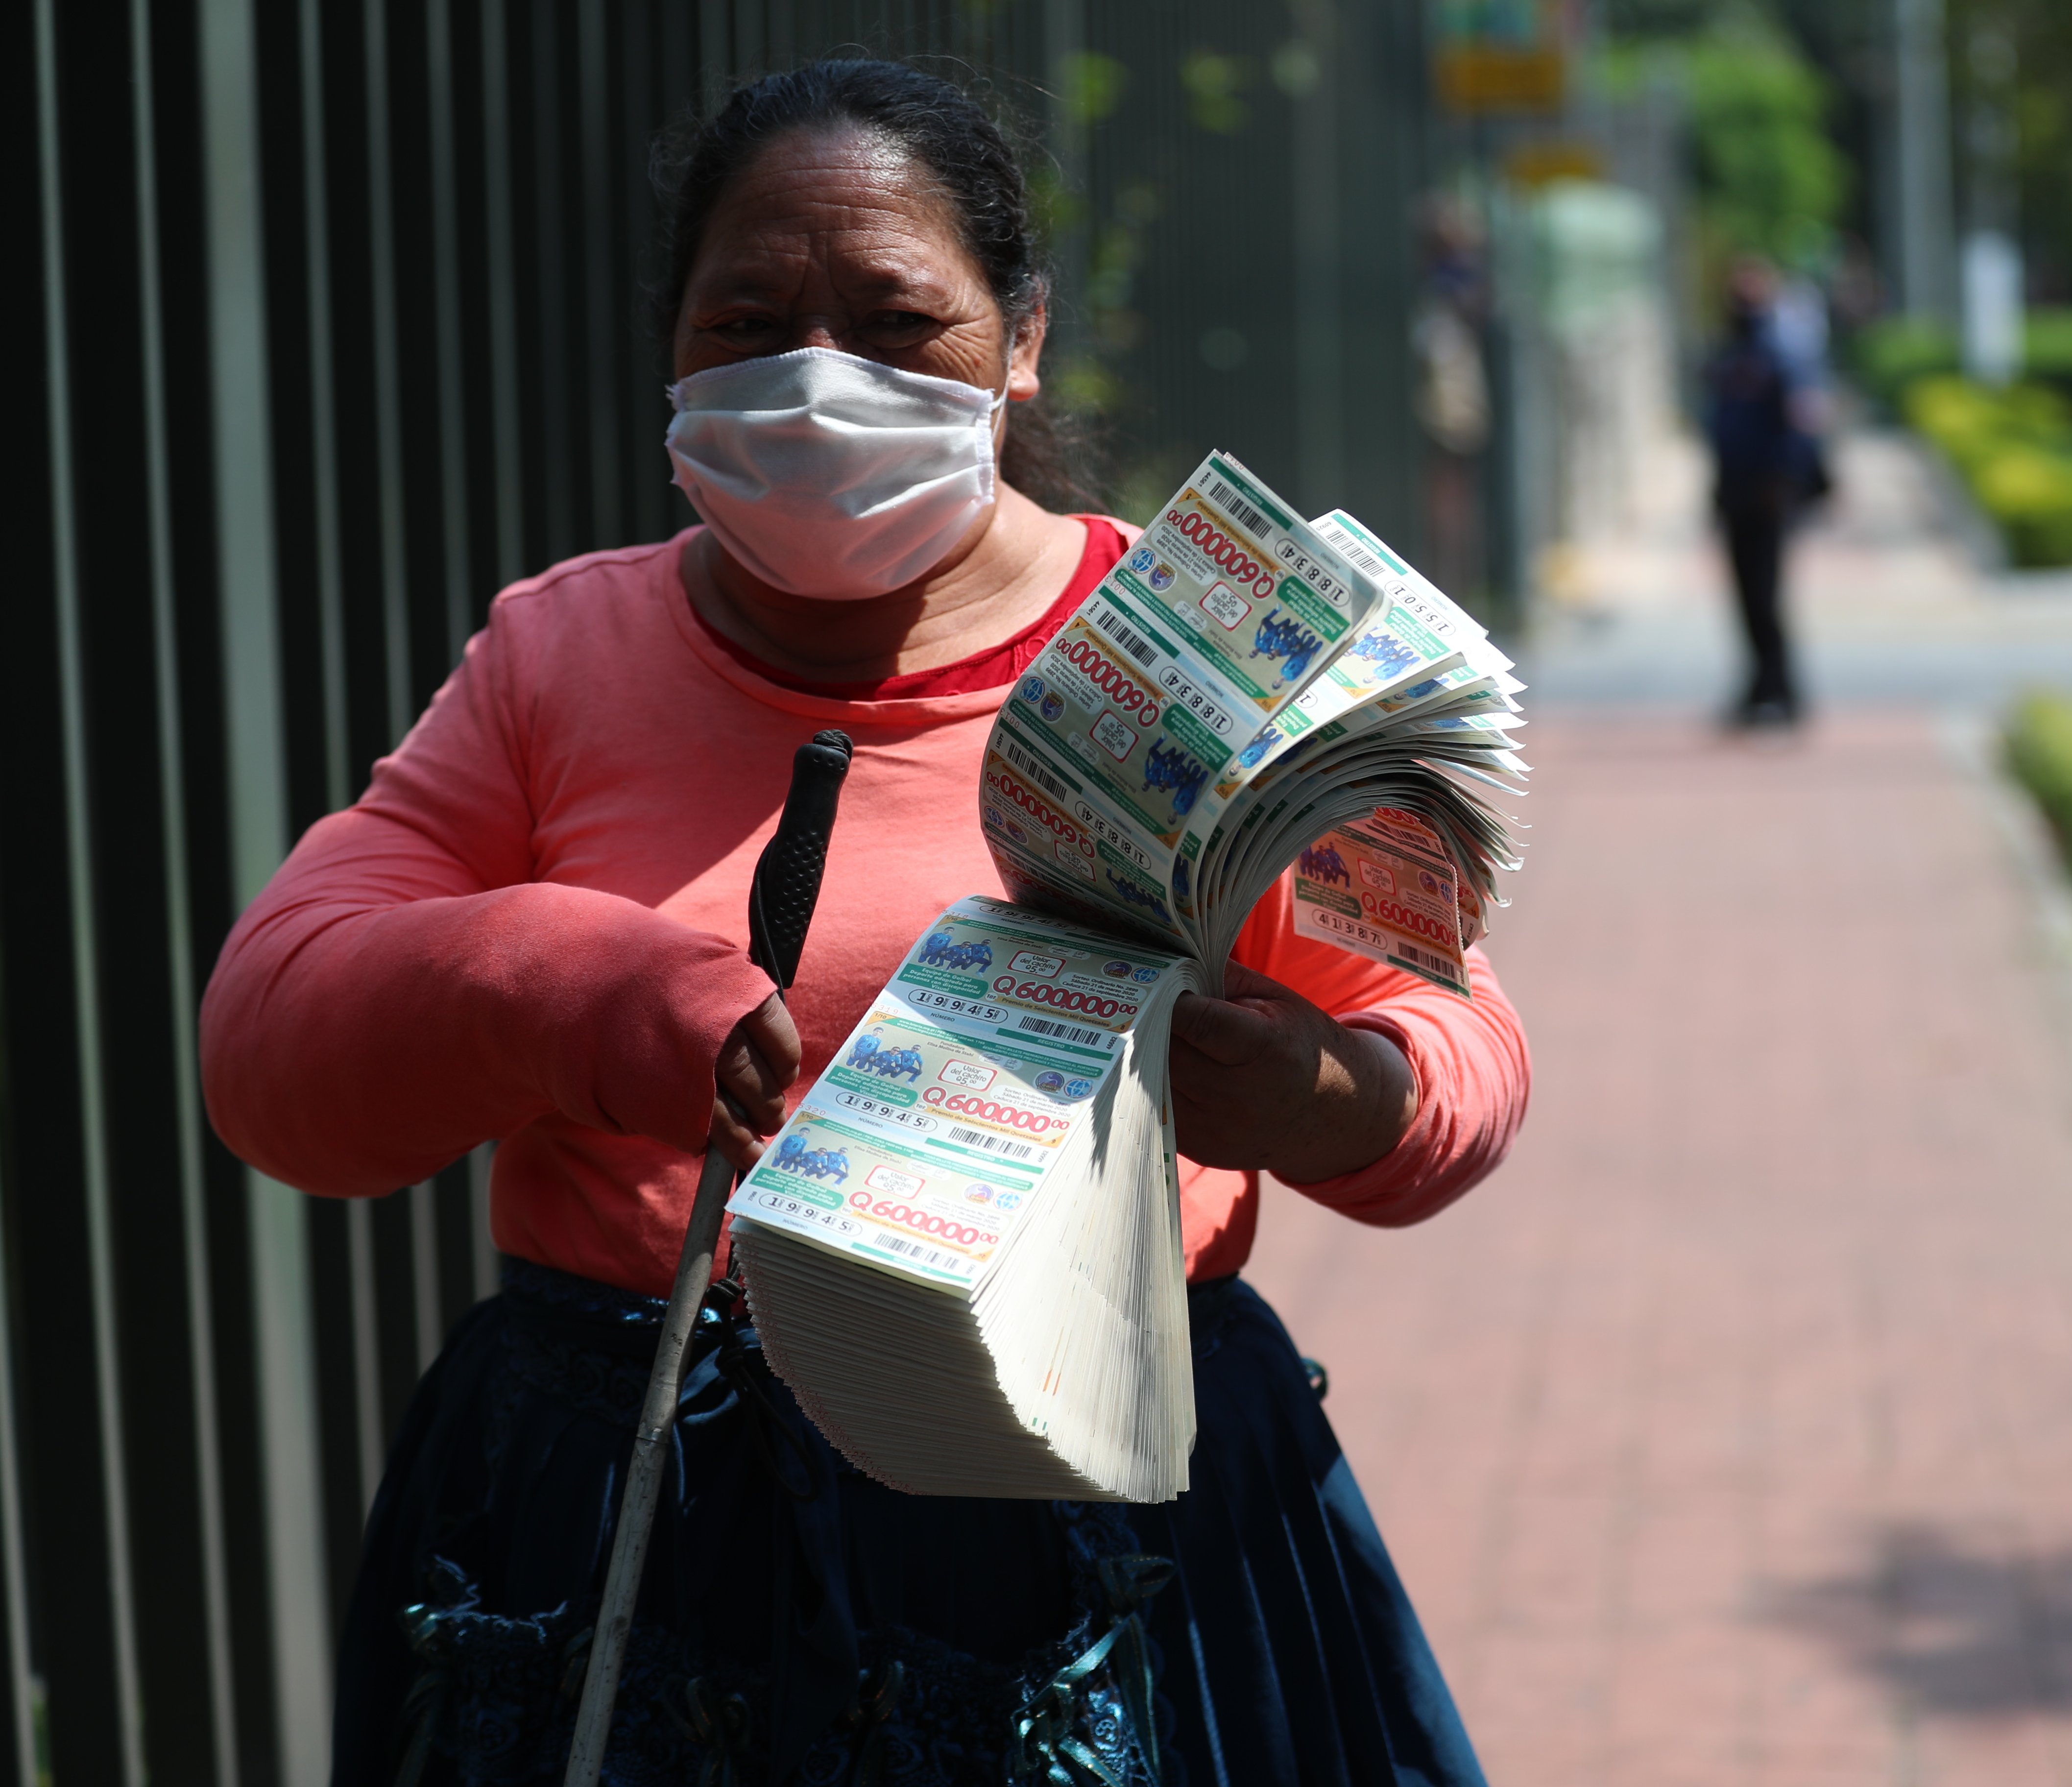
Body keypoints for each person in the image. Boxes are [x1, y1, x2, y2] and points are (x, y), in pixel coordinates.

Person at [199, 59, 1530, 1787]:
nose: (818, 375)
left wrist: (1302, 1091)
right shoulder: (558, 655)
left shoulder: (1212, 657)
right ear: (670, 338)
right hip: (620, 1525)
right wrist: (568, 989)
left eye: (898, 319)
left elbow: (1455, 1050)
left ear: (1019, 336)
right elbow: (275, 1044)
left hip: (1094, 1538)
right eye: (747, 315)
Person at [1705, 255, 1827, 729]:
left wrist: (1791, 479)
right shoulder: (1729, 350)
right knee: (1745, 598)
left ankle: (1781, 693)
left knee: (1766, 595)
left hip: (1769, 492)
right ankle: (1759, 688)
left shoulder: (1779, 349)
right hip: (1735, 488)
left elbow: (1802, 420)